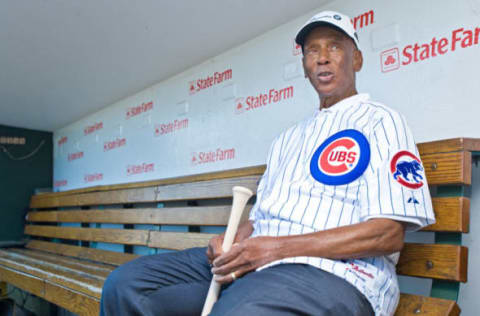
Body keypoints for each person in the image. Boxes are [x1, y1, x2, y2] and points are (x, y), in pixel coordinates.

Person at [100, 10, 435, 316]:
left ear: (357, 59)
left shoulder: (382, 121)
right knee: (127, 285)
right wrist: (231, 243)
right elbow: (260, 220)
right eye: (312, 51)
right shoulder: (286, 139)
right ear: (304, 67)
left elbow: (387, 235)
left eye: (334, 47)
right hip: (258, 267)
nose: (322, 59)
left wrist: (277, 249)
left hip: (335, 275)